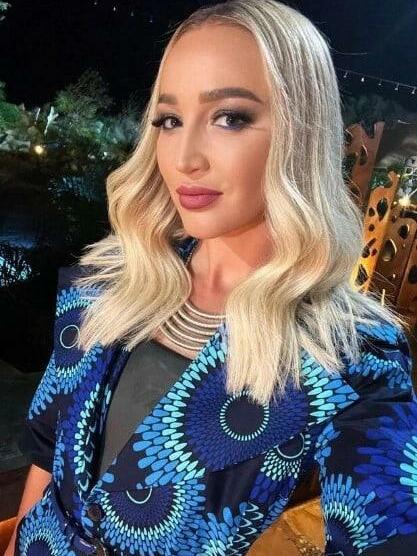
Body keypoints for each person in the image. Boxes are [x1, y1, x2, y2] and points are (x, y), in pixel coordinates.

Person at [7, 1, 417, 554]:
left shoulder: (349, 354)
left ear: (301, 134)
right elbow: (48, 449)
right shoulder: (109, 281)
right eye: (170, 121)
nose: (185, 158)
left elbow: (387, 519)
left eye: (230, 118)